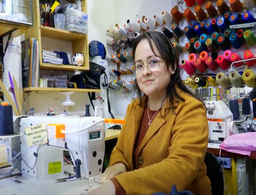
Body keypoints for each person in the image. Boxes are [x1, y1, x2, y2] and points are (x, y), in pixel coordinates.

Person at [86, 31, 211, 195]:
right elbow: (120, 150)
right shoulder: (135, 108)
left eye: (153, 62)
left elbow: (180, 168)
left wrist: (119, 185)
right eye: (139, 65)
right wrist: (119, 165)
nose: (145, 72)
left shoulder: (190, 109)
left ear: (172, 66)